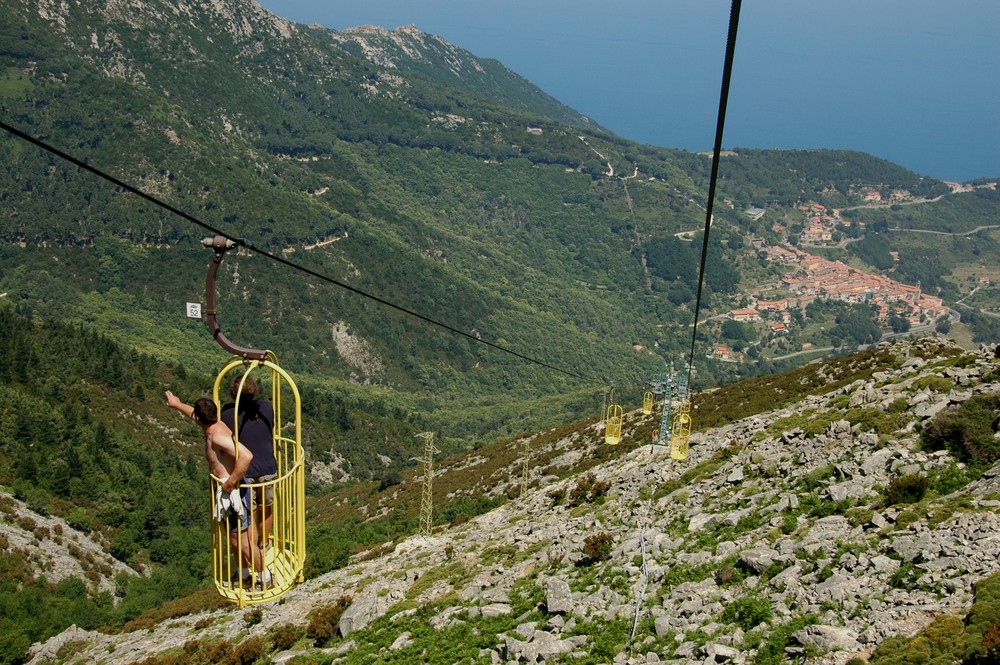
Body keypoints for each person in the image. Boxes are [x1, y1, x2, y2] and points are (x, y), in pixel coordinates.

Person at [165, 390, 272, 589]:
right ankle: (245, 574)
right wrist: (178, 404)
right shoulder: (211, 426)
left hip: (235, 491)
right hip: (233, 490)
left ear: (200, 418)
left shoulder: (217, 436)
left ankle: (265, 577)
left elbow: (246, 456)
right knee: (239, 538)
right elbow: (193, 414)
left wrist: (230, 482)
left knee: (242, 542)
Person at [220, 374, 278, 554]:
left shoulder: (228, 412)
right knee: (265, 507)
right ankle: (264, 542)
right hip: (268, 467)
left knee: (250, 513)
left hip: (247, 471)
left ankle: (253, 552)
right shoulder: (266, 408)